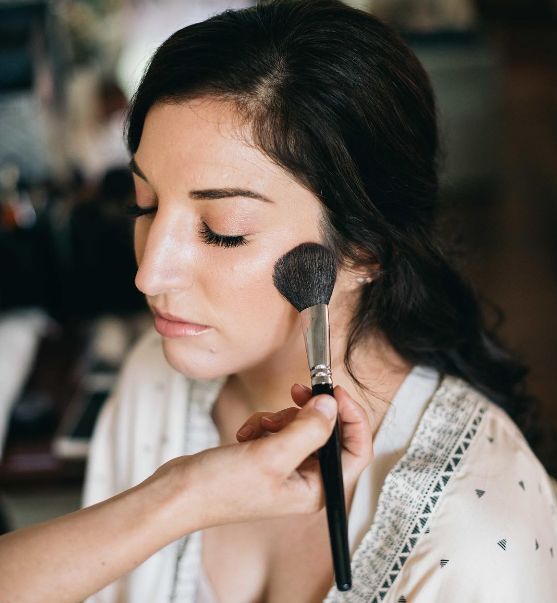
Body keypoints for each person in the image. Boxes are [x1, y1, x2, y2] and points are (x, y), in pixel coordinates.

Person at [80, 1, 557, 602]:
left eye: (224, 228)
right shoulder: (151, 385)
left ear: (362, 249)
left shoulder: (478, 539)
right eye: (144, 206)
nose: (150, 274)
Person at [0, 386, 370, 603]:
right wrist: (183, 491)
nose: (147, 278)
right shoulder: (153, 383)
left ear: (362, 259)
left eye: (225, 245)